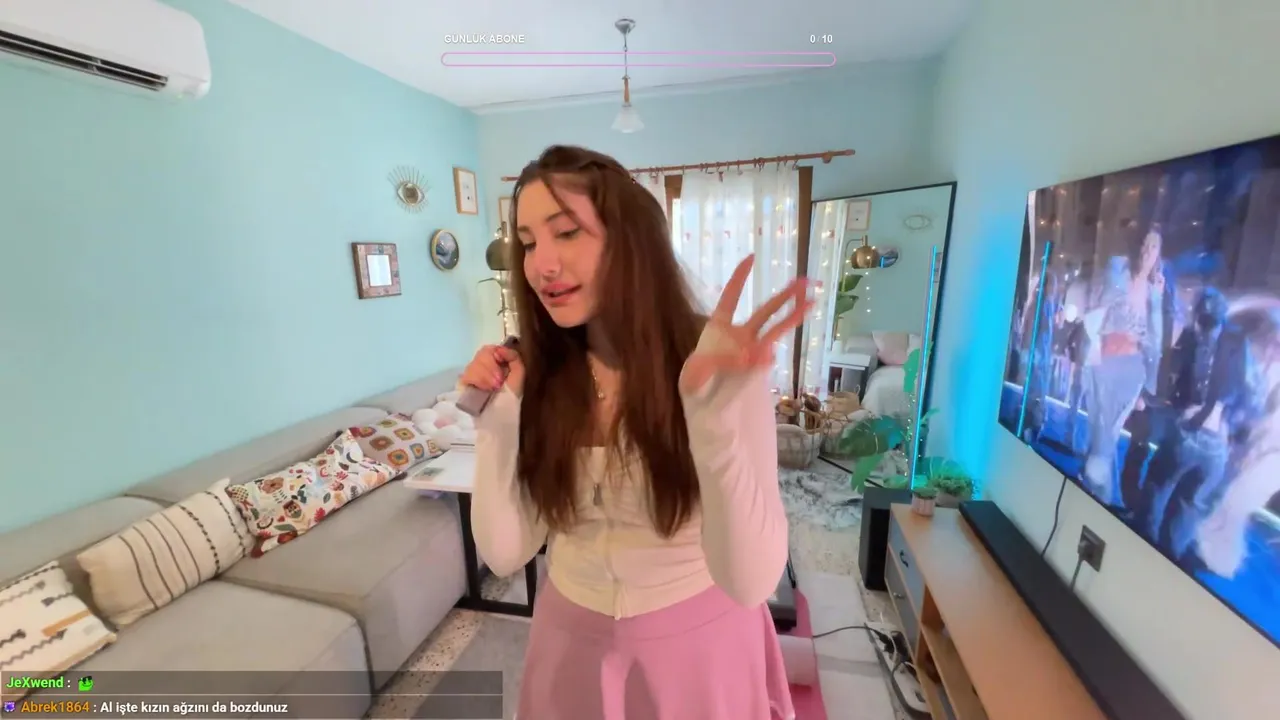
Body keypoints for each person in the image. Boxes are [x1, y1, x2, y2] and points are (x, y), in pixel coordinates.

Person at [459, 145, 811, 719]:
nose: (542, 264)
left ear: (630, 242)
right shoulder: (537, 372)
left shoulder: (715, 362)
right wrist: (496, 420)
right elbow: (504, 554)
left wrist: (714, 427)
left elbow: (751, 583)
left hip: (700, 652)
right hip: (569, 642)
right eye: (528, 243)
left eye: (566, 232)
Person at [1081, 226, 1167, 505]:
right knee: (1101, 434)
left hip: (1130, 372)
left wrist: (1147, 389)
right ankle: (1103, 496)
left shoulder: (1154, 293)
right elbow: (1097, 313)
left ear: (1158, 254)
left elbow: (1155, 342)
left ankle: (1100, 498)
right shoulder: (1118, 271)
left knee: (1105, 437)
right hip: (1102, 365)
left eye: (1153, 247)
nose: (1147, 251)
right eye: (1144, 244)